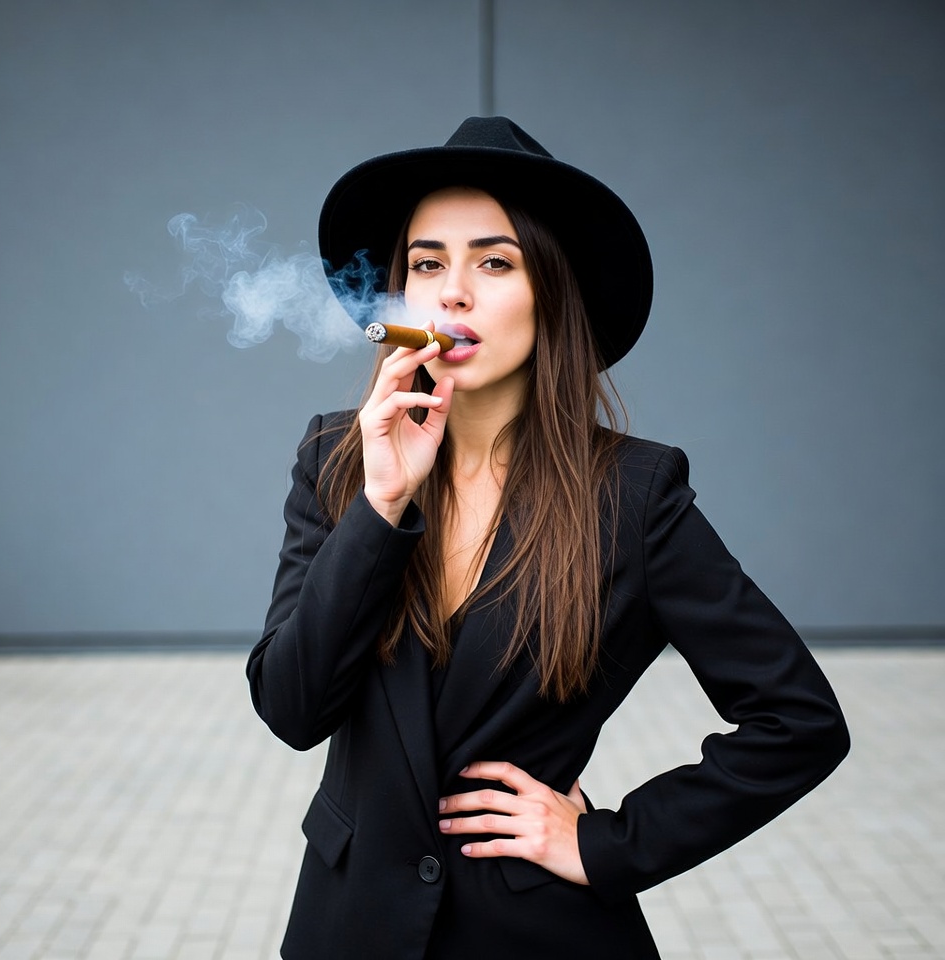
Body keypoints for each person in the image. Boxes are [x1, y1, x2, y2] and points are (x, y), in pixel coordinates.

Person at [246, 117, 849, 959]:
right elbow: (291, 708)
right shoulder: (337, 459)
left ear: (552, 294)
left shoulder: (635, 495)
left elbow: (799, 721)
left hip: (534, 933)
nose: (452, 293)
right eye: (427, 264)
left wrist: (607, 843)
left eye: (494, 262)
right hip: (350, 928)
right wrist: (380, 506)